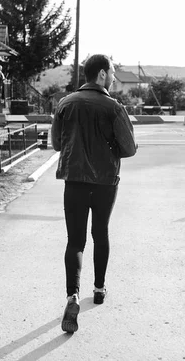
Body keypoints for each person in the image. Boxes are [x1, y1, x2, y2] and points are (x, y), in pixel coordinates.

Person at [51, 54, 137, 333]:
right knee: (100, 234)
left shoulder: (65, 104)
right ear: (101, 74)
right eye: (112, 72)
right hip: (104, 181)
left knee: (75, 241)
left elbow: (55, 144)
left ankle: (72, 296)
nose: (113, 76)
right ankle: (99, 289)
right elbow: (130, 148)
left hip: (74, 180)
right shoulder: (113, 107)